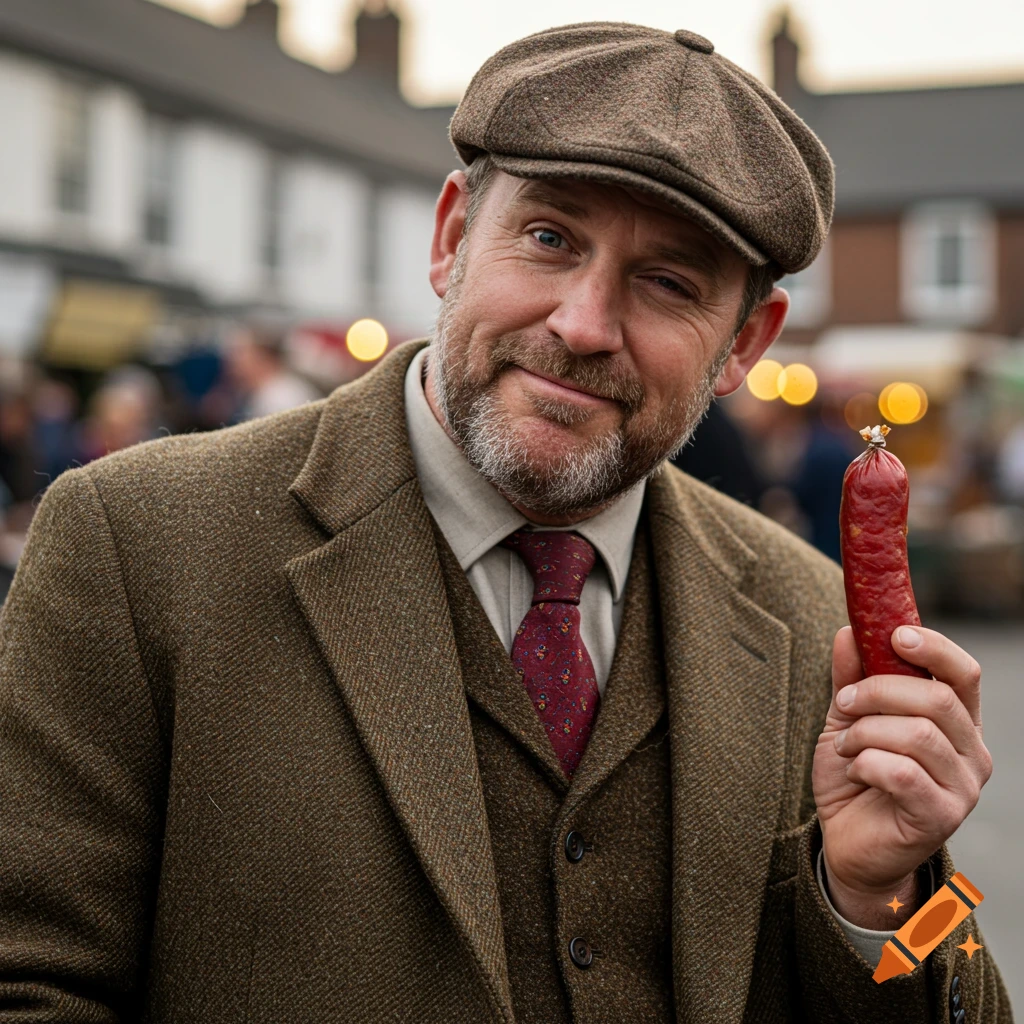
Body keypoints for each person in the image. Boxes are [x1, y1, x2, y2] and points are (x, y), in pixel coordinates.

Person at [0, 22, 1010, 1024]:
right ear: (450, 238)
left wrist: (882, 899)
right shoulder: (137, 542)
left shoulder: (811, 619)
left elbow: (952, 980)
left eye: (667, 283)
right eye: (548, 238)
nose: (581, 323)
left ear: (744, 340)